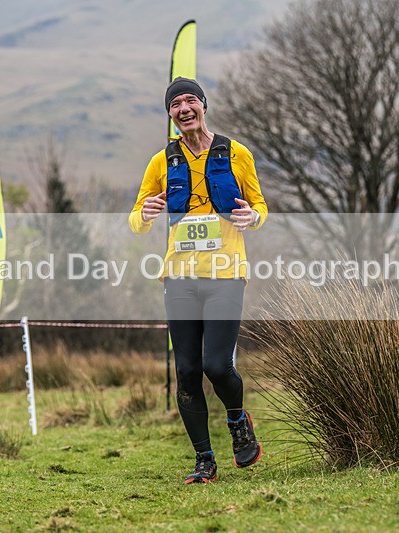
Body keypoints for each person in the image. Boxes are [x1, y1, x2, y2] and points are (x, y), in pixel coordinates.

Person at [128, 77, 267, 484]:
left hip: (226, 274)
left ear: (204, 105)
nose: (184, 108)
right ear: (170, 115)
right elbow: (136, 221)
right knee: (187, 371)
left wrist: (252, 217)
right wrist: (147, 213)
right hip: (180, 278)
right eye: (176, 104)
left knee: (217, 365)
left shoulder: (236, 153)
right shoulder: (161, 162)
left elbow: (259, 206)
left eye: (191, 100)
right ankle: (204, 460)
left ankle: (239, 421)